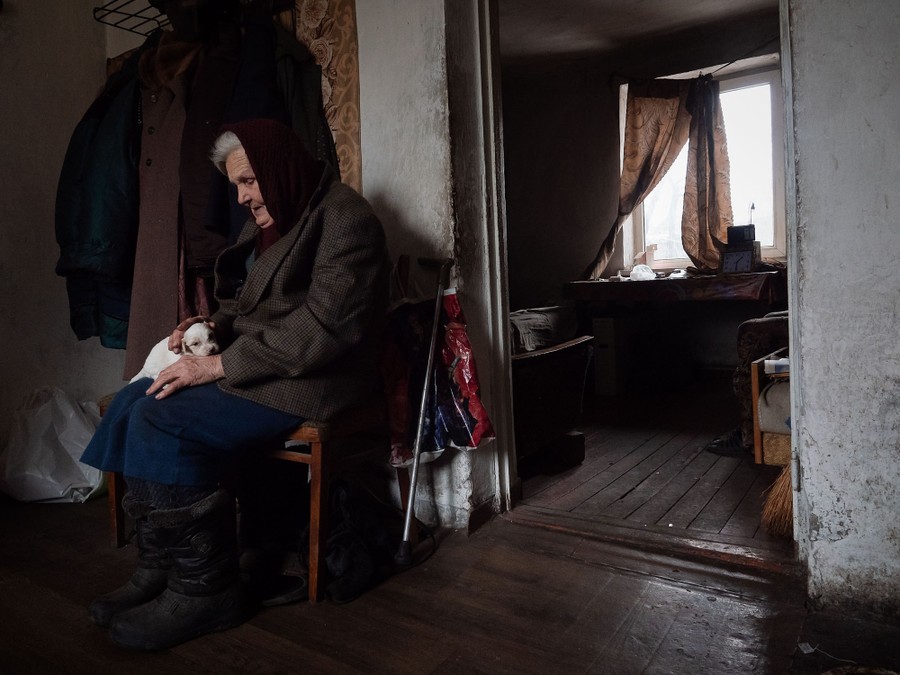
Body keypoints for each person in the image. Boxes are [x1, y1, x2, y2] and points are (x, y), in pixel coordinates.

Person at [80, 118, 389, 651]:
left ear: (279, 166)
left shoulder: (345, 220)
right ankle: (163, 565)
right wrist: (207, 328)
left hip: (315, 377)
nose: (243, 197)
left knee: (162, 416)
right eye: (237, 185)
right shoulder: (268, 219)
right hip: (262, 361)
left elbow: (326, 327)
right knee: (133, 400)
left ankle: (206, 591)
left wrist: (219, 366)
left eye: (249, 181)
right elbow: (242, 307)